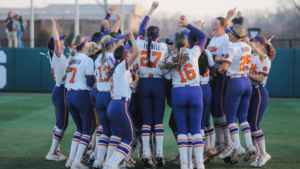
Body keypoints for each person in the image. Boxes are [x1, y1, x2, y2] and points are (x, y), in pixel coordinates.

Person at [216, 25, 265, 164]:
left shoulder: (232, 47)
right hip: (246, 82)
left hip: (235, 82)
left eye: (230, 33)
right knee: (242, 117)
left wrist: (216, 69)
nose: (228, 35)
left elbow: (223, 68)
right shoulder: (248, 46)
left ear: (234, 35)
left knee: (230, 117)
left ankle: (238, 147)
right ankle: (250, 145)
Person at [136, 2, 168, 168]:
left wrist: (152, 9)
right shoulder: (163, 46)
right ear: (158, 36)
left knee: (146, 121)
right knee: (158, 121)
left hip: (143, 83)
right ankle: (159, 153)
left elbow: (142, 25)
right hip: (158, 84)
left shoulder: (139, 43)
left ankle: (147, 153)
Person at [104, 30, 141, 169]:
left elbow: (125, 88)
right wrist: (131, 37)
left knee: (121, 138)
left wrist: (135, 80)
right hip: (119, 105)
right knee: (130, 139)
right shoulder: (121, 66)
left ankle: (109, 164)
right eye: (128, 54)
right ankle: (112, 165)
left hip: (114, 105)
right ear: (125, 57)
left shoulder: (118, 68)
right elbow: (138, 52)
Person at [205, 8, 236, 159]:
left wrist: (228, 18)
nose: (212, 25)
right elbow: (222, 25)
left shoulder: (225, 39)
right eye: (212, 23)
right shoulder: (216, 39)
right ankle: (219, 143)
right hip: (212, 76)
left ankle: (229, 143)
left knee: (220, 109)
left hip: (221, 76)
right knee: (214, 110)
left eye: (215, 23)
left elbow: (225, 60)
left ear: (222, 26)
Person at [62, 34, 95, 169]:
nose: (88, 43)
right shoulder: (88, 60)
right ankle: (76, 162)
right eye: (87, 41)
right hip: (82, 96)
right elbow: (90, 82)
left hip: (69, 95)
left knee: (79, 129)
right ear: (85, 45)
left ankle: (70, 160)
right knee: (87, 130)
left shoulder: (70, 58)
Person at [247, 35, 275, 167]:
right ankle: (257, 154)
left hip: (258, 92)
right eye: (252, 41)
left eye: (255, 42)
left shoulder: (265, 59)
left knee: (255, 125)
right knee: (249, 126)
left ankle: (264, 154)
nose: (252, 43)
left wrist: (244, 73)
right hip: (248, 92)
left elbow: (259, 79)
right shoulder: (250, 56)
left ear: (262, 45)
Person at [45, 16, 69, 162]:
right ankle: (52, 152)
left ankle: (56, 150)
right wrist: (54, 24)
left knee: (60, 123)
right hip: (61, 92)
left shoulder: (58, 56)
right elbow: (55, 41)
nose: (62, 41)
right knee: (62, 124)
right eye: (60, 41)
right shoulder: (58, 55)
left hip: (59, 90)